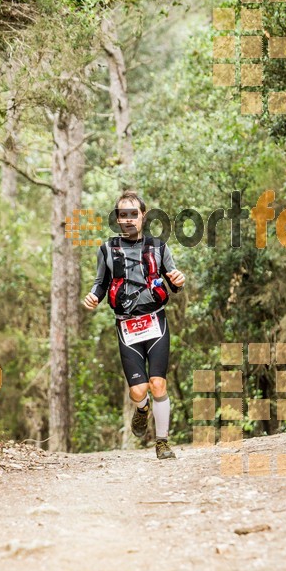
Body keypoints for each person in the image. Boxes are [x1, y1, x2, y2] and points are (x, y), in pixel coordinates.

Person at [83, 191, 186, 459]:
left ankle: (162, 442)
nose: (128, 219)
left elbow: (173, 280)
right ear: (118, 219)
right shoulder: (107, 249)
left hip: (156, 322)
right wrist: (94, 296)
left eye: (133, 214)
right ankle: (142, 409)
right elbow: (101, 283)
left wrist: (178, 279)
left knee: (158, 384)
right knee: (138, 391)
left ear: (143, 216)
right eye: (122, 215)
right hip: (126, 327)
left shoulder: (158, 247)